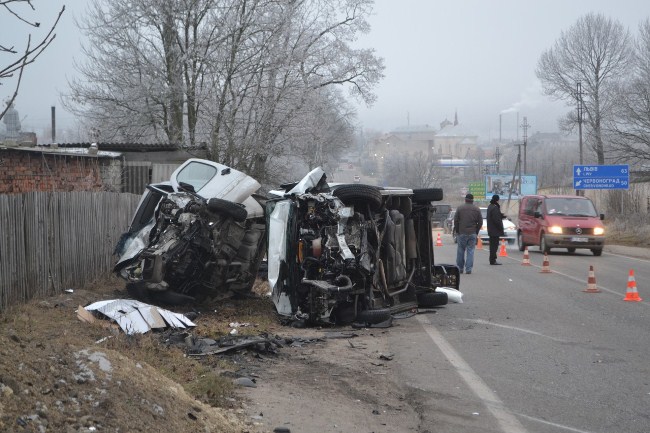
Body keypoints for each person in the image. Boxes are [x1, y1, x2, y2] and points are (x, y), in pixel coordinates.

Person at [453, 193, 482, 274]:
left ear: (465, 199)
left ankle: (460, 268)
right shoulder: (476, 209)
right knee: (470, 251)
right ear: (473, 200)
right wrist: (476, 231)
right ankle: (468, 269)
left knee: (460, 250)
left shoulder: (460, 208)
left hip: (461, 232)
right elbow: (480, 222)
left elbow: (455, 220)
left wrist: (458, 230)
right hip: (472, 233)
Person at [487, 194, 506, 265]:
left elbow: (495, 216)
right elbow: (496, 220)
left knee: (492, 246)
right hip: (494, 230)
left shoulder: (490, 206)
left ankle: (492, 259)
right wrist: (501, 228)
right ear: (497, 200)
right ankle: (493, 260)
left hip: (491, 230)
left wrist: (501, 216)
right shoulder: (495, 208)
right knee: (494, 246)